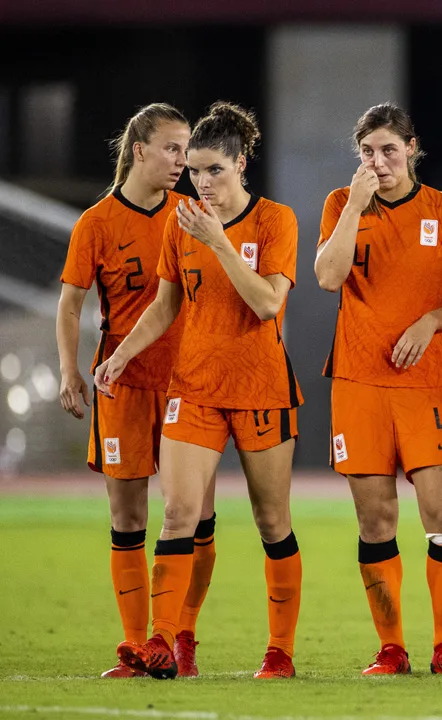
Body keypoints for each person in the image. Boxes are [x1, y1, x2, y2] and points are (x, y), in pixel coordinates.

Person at [97, 102, 303, 680]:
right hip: (194, 386)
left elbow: (267, 303)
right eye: (193, 171)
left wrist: (218, 242)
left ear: (240, 163)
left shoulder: (274, 220)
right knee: (179, 514)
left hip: (261, 389)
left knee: (271, 522)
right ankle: (164, 644)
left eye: (214, 169)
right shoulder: (180, 222)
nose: (201, 182)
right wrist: (121, 354)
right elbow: (165, 306)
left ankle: (279, 651)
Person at [315, 103, 442, 675]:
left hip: (425, 384)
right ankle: (391, 647)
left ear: (412, 148)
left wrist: (430, 321)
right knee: (375, 520)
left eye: (390, 150)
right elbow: (327, 277)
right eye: (368, 152)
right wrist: (356, 206)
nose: (379, 161)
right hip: (359, 382)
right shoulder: (342, 205)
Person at [58, 103, 218, 679]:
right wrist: (68, 370)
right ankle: (135, 647)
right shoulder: (97, 223)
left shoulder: (192, 214)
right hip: (122, 382)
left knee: (196, 515)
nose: (183, 161)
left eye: (187, 149)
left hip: (189, 382)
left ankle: (181, 640)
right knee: (127, 517)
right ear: (139, 149)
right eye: (173, 148)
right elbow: (71, 303)